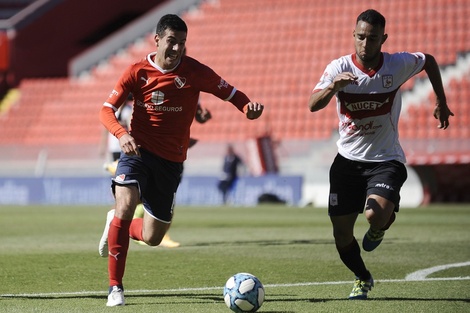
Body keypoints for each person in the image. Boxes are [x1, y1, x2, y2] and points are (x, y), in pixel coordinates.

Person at [98, 14, 264, 307]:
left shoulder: (195, 71)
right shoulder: (137, 72)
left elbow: (231, 93)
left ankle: (116, 223)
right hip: (137, 153)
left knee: (152, 237)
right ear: (158, 39)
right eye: (172, 42)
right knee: (125, 203)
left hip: (171, 163)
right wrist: (122, 134)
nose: (177, 49)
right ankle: (115, 288)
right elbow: (106, 109)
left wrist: (247, 107)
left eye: (182, 43)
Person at [308, 9, 453, 300]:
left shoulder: (396, 65)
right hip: (347, 162)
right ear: (353, 35)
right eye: (360, 37)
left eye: (372, 38)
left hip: (386, 159)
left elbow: (429, 60)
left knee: (374, 214)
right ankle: (362, 277)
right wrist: (334, 88)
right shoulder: (337, 68)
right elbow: (313, 104)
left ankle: (381, 226)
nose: (365, 43)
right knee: (342, 235)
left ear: (383, 39)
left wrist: (441, 99)